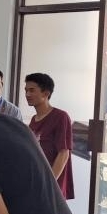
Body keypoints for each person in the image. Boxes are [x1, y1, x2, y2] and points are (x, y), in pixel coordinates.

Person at [25, 72, 74, 200]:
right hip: (36, 181)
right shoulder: (33, 120)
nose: (27, 94)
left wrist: (49, 183)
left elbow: (64, 153)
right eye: (26, 90)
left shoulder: (60, 117)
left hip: (51, 186)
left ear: (46, 93)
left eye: (32, 90)